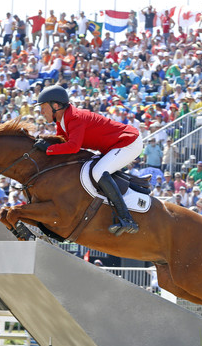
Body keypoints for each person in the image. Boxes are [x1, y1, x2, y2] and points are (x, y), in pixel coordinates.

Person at [35, 85, 142, 235]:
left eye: (43, 107)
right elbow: (60, 142)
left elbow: (72, 146)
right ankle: (137, 186)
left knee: (98, 172)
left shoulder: (75, 118)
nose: (41, 112)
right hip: (114, 146)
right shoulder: (62, 121)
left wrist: (47, 149)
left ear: (56, 106)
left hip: (128, 143)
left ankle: (127, 219)